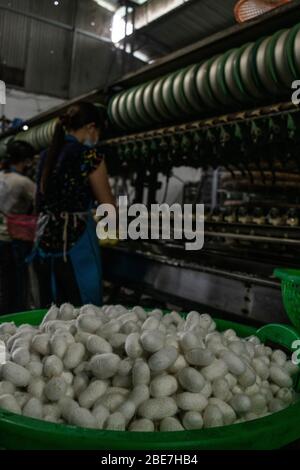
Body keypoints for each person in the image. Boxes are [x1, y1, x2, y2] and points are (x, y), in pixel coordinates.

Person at [35, 102, 115, 307]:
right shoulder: (90, 156)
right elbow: (108, 205)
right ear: (90, 127)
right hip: (77, 241)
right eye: (97, 131)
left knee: (52, 307)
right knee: (84, 309)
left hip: (45, 238)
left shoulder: (46, 155)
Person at [0, 140, 36, 314]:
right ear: (26, 161)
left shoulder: (1, 176)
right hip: (12, 240)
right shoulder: (23, 182)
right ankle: (14, 320)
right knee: (16, 285)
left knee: (3, 286)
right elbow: (43, 202)